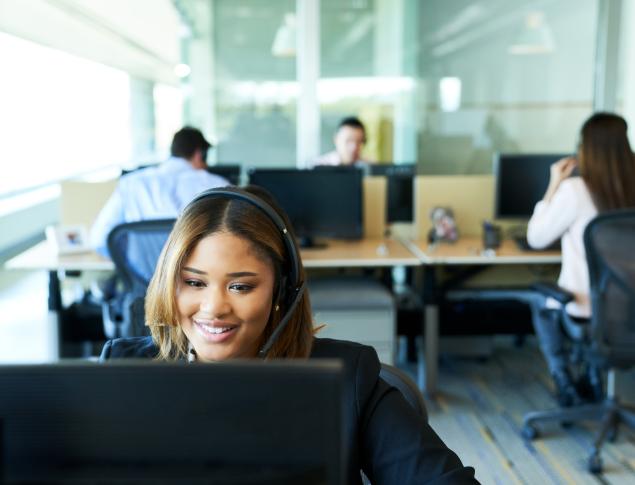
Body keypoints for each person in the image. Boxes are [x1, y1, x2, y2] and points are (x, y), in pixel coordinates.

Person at [100, 185, 479, 484]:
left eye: (241, 287)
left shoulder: (348, 379)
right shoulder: (122, 371)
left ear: (281, 293)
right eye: (194, 282)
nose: (213, 307)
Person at [527, 112, 635, 406]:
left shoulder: (575, 190)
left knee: (540, 299)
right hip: (630, 313)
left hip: (588, 312)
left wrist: (553, 184)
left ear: (585, 149)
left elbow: (536, 238)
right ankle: (591, 376)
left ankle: (563, 378)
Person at [90, 126, 229, 257]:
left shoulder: (131, 183)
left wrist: (129, 265)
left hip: (144, 280)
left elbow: (99, 240)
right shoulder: (218, 185)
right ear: (200, 154)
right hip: (196, 279)